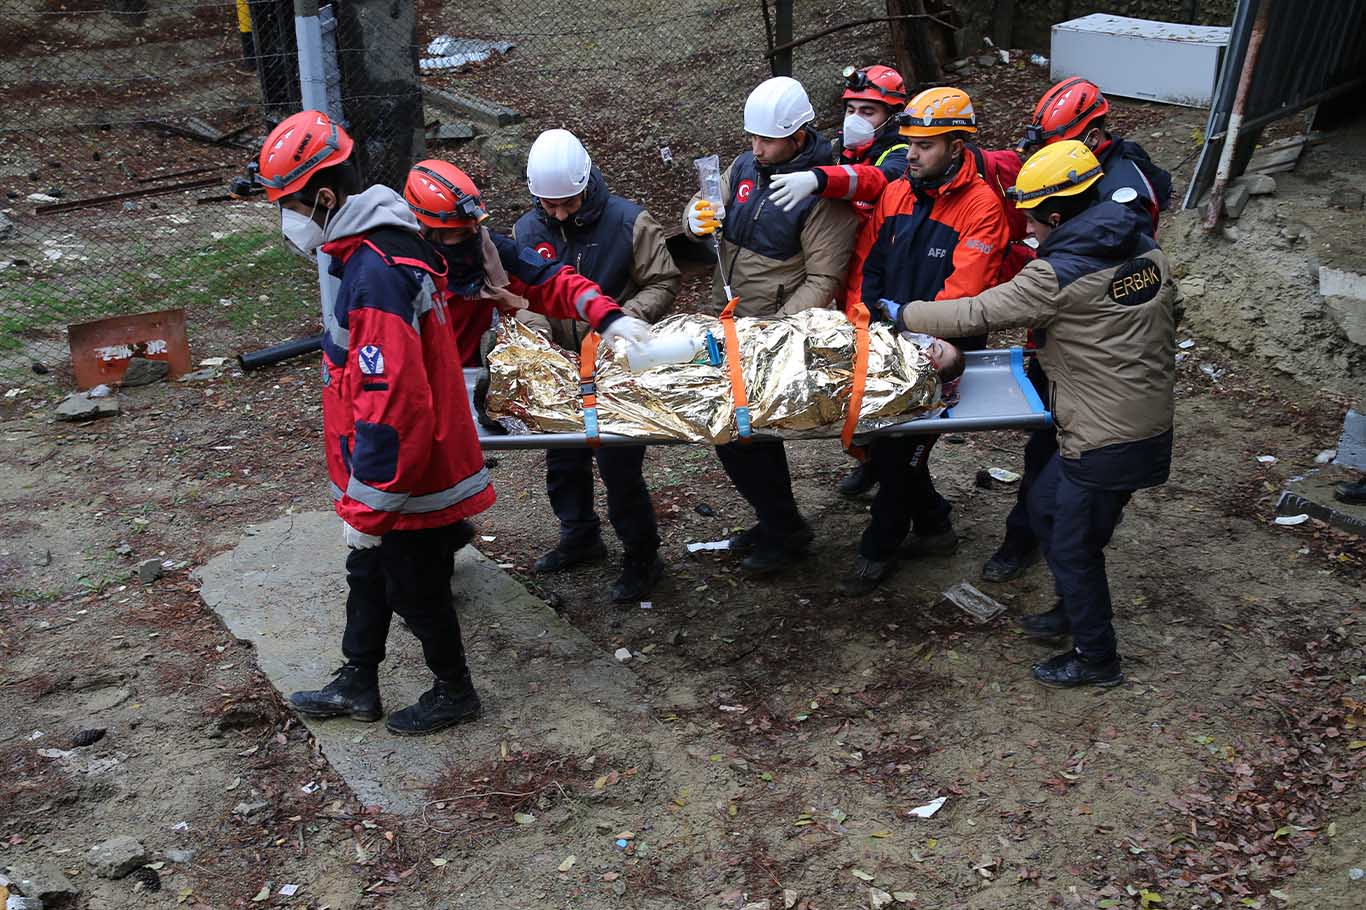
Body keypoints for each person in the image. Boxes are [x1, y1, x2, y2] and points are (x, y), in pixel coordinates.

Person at [256, 111, 646, 736]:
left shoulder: (381, 267)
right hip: (394, 438)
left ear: (324, 197)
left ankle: (452, 689)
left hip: (411, 450)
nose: (467, 248)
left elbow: (394, 399)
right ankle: (358, 677)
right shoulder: (367, 250)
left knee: (413, 578)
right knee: (377, 567)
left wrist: (612, 318)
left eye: (292, 203)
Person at [884, 140, 1179, 688]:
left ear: (1059, 215)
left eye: (1033, 222)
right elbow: (1164, 312)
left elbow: (979, 310)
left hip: (1107, 436)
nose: (1029, 233)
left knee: (1072, 545)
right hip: (1128, 422)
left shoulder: (1056, 275)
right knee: (1046, 507)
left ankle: (1097, 659)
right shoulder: (1144, 249)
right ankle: (1071, 612)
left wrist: (906, 312)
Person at [980, 78, 1175, 584]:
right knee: (1041, 447)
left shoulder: (1123, 191)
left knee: (1062, 454)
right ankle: (1036, 536)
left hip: (1093, 354)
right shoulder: (1064, 165)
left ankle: (1048, 546)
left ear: (1090, 137)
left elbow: (1114, 279)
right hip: (1055, 334)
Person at [683, 75, 860, 575]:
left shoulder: (823, 194)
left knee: (743, 431)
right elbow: (711, 208)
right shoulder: (747, 165)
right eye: (752, 138)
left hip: (773, 328)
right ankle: (776, 520)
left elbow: (824, 277)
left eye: (766, 139)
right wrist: (693, 218)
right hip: (731, 316)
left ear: (799, 136)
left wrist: (778, 332)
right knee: (736, 432)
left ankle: (784, 529)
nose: (755, 148)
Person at [837, 86, 1009, 596]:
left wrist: (913, 343)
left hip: (943, 351)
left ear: (957, 147)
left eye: (924, 145)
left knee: (898, 455)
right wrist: (860, 325)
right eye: (908, 142)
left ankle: (879, 545)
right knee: (870, 440)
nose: (910, 154)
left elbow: (963, 296)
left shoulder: (982, 209)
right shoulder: (897, 192)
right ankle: (935, 524)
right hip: (883, 336)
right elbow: (868, 266)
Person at [512, 128, 680, 602]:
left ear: (587, 184)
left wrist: (626, 319)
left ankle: (642, 555)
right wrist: (536, 331)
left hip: (615, 363)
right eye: (549, 204)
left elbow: (662, 281)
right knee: (563, 456)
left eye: (568, 202)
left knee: (619, 463)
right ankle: (579, 535)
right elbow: (522, 293)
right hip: (559, 361)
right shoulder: (527, 231)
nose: (559, 213)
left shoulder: (629, 222)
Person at [1019, 77, 1172, 235]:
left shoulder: (1121, 195)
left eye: (1060, 148)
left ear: (1092, 138)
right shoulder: (1090, 169)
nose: (1052, 158)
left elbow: (1127, 253)